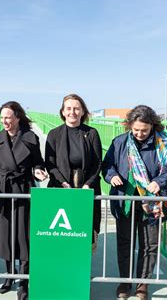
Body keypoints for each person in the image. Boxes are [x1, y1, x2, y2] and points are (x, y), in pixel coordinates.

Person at [102, 105, 167, 300]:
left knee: (149, 245)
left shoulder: (164, 143)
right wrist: (111, 175)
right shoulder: (120, 142)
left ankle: (142, 285)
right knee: (125, 243)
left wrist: (160, 181)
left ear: (153, 126)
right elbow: (107, 166)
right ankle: (125, 282)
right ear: (130, 125)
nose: (139, 133)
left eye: (144, 130)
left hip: (152, 203)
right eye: (136, 129)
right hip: (126, 201)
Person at [0, 101, 48, 300]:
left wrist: (38, 169)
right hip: (3, 192)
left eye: (8, 118)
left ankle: (23, 280)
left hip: (24, 190)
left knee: (24, 235)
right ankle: (9, 275)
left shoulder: (31, 138)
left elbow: (38, 161)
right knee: (5, 236)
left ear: (17, 118)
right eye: (2, 118)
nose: (4, 121)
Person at [45, 93, 102, 252]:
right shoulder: (54, 134)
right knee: (63, 231)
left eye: (77, 109)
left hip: (85, 189)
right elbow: (50, 164)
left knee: (84, 232)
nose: (72, 112)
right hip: (61, 188)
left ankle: (82, 268)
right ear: (62, 112)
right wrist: (62, 183)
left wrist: (87, 184)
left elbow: (97, 163)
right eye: (68, 108)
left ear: (83, 112)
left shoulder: (91, 133)